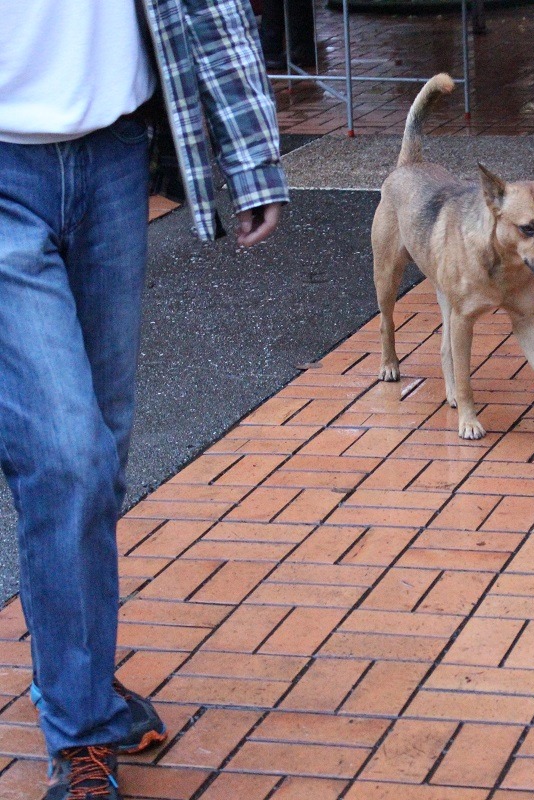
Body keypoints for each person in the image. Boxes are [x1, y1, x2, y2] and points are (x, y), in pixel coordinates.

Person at [0, 1, 287, 798]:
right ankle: (82, 728)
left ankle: (76, 682)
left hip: (112, 162)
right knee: (66, 459)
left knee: (100, 457)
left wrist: (252, 154)